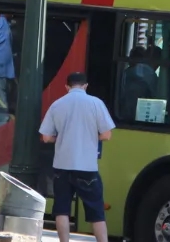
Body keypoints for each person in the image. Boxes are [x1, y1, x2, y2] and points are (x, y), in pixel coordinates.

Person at [38, 72, 115, 242]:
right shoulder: (96, 103)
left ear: (67, 87)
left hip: (62, 165)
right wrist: (90, 136)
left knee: (62, 209)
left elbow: (46, 137)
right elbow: (107, 135)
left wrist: (61, 137)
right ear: (86, 86)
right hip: (87, 167)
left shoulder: (57, 105)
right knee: (96, 212)